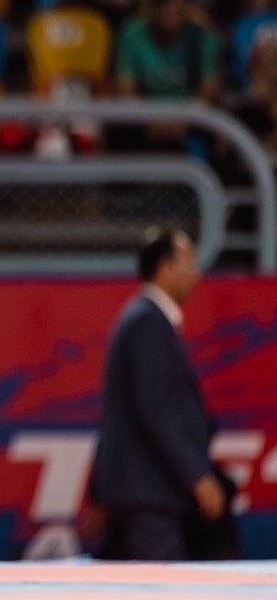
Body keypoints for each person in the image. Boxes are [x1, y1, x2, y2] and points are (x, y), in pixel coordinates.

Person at [91, 228, 237, 560]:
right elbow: (155, 407)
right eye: (190, 263)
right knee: (159, 581)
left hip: (145, 489)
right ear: (165, 268)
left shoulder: (147, 319)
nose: (197, 274)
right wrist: (198, 476)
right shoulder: (148, 322)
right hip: (148, 491)